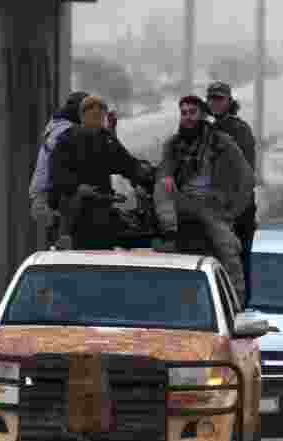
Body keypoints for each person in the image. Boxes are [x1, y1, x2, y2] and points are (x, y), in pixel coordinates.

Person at [154, 95, 255, 303]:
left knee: (228, 250)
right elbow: (163, 173)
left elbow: (246, 178)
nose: (188, 117)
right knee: (162, 186)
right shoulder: (173, 144)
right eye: (183, 113)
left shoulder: (222, 142)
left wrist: (232, 211)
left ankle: (237, 303)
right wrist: (167, 179)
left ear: (202, 114)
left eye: (192, 112)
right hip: (183, 205)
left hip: (213, 207)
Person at [48, 95, 154, 249]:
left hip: (103, 209)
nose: (96, 119)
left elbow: (127, 164)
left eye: (100, 116)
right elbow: (57, 173)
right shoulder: (67, 139)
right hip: (76, 213)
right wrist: (78, 188)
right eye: (92, 115)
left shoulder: (106, 140)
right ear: (82, 116)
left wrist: (144, 178)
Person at [206, 81, 258, 307]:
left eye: (219, 99)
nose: (215, 103)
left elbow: (244, 171)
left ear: (229, 102)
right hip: (215, 207)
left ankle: (240, 306)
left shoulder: (239, 129)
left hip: (237, 209)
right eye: (212, 99)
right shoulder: (209, 129)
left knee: (237, 260)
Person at [29, 91, 90, 246]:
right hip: (49, 196)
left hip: (45, 196)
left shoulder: (58, 126)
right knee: (65, 240)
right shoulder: (65, 131)